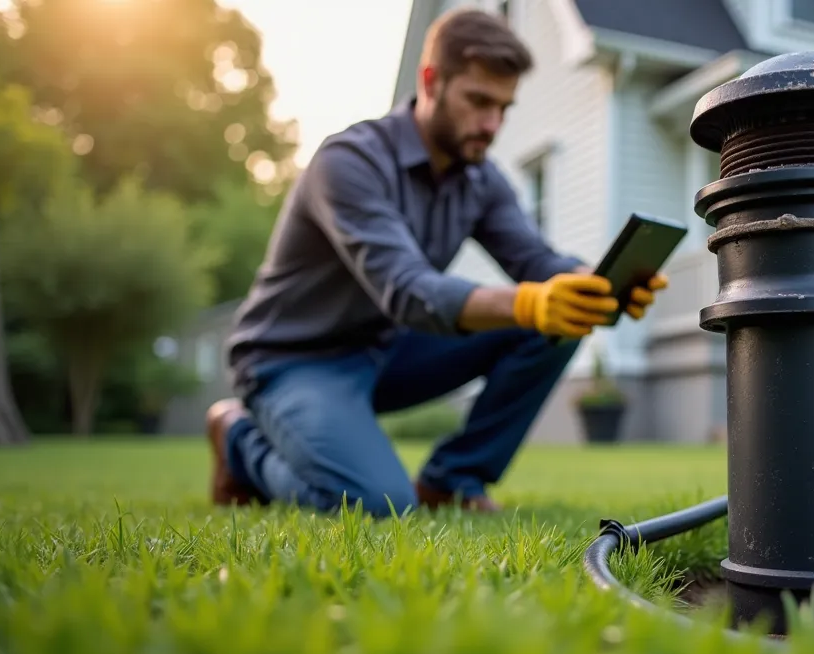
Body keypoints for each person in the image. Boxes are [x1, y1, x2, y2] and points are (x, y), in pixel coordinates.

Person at [204, 8, 668, 517]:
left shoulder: (480, 180)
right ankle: (239, 438)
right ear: (431, 81)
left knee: (557, 323)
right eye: (478, 101)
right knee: (375, 504)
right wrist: (533, 301)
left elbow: (535, 260)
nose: (492, 124)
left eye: (504, 108)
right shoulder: (349, 163)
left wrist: (595, 286)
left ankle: (452, 480)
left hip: (383, 351)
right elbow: (407, 288)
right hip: (292, 360)